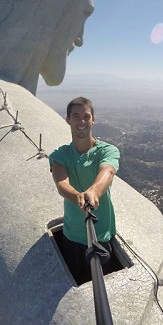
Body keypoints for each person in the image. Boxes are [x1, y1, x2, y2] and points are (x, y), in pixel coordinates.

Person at [49, 97, 121, 283]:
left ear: (93, 119)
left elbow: (108, 171)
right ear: (68, 119)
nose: (82, 122)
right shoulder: (60, 155)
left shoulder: (108, 151)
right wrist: (78, 196)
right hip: (72, 235)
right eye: (76, 116)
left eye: (86, 117)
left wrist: (94, 192)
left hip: (102, 234)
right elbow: (61, 183)